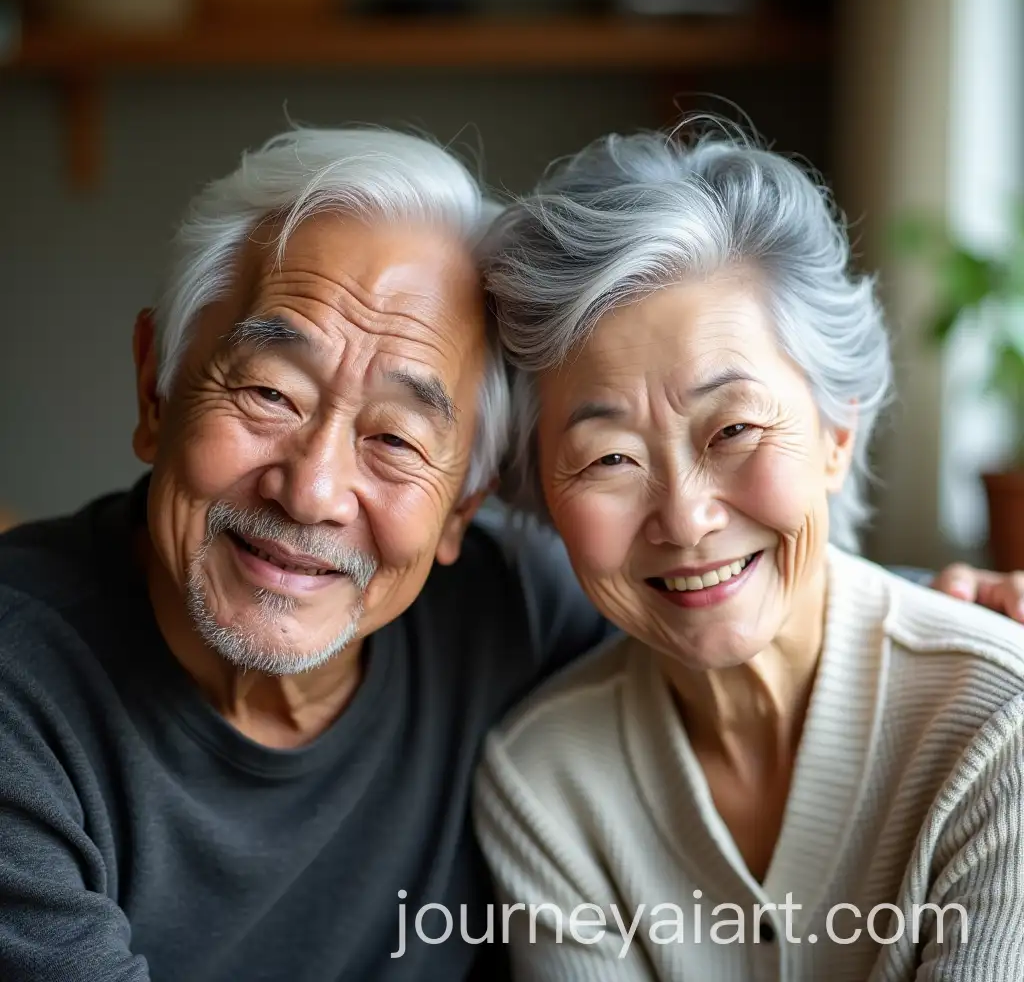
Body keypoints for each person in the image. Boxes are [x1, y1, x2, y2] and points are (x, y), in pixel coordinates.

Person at [0, 126, 1017, 982]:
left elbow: (726, 604)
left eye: (396, 439)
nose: (313, 490)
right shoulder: (24, 695)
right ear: (154, 389)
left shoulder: (509, 614)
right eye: (269, 392)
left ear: (465, 506)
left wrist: (949, 619)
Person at [475, 122, 1024, 981]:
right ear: (540, 488)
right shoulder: (546, 781)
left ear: (838, 429)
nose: (686, 518)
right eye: (610, 458)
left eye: (733, 428)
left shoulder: (1001, 724)